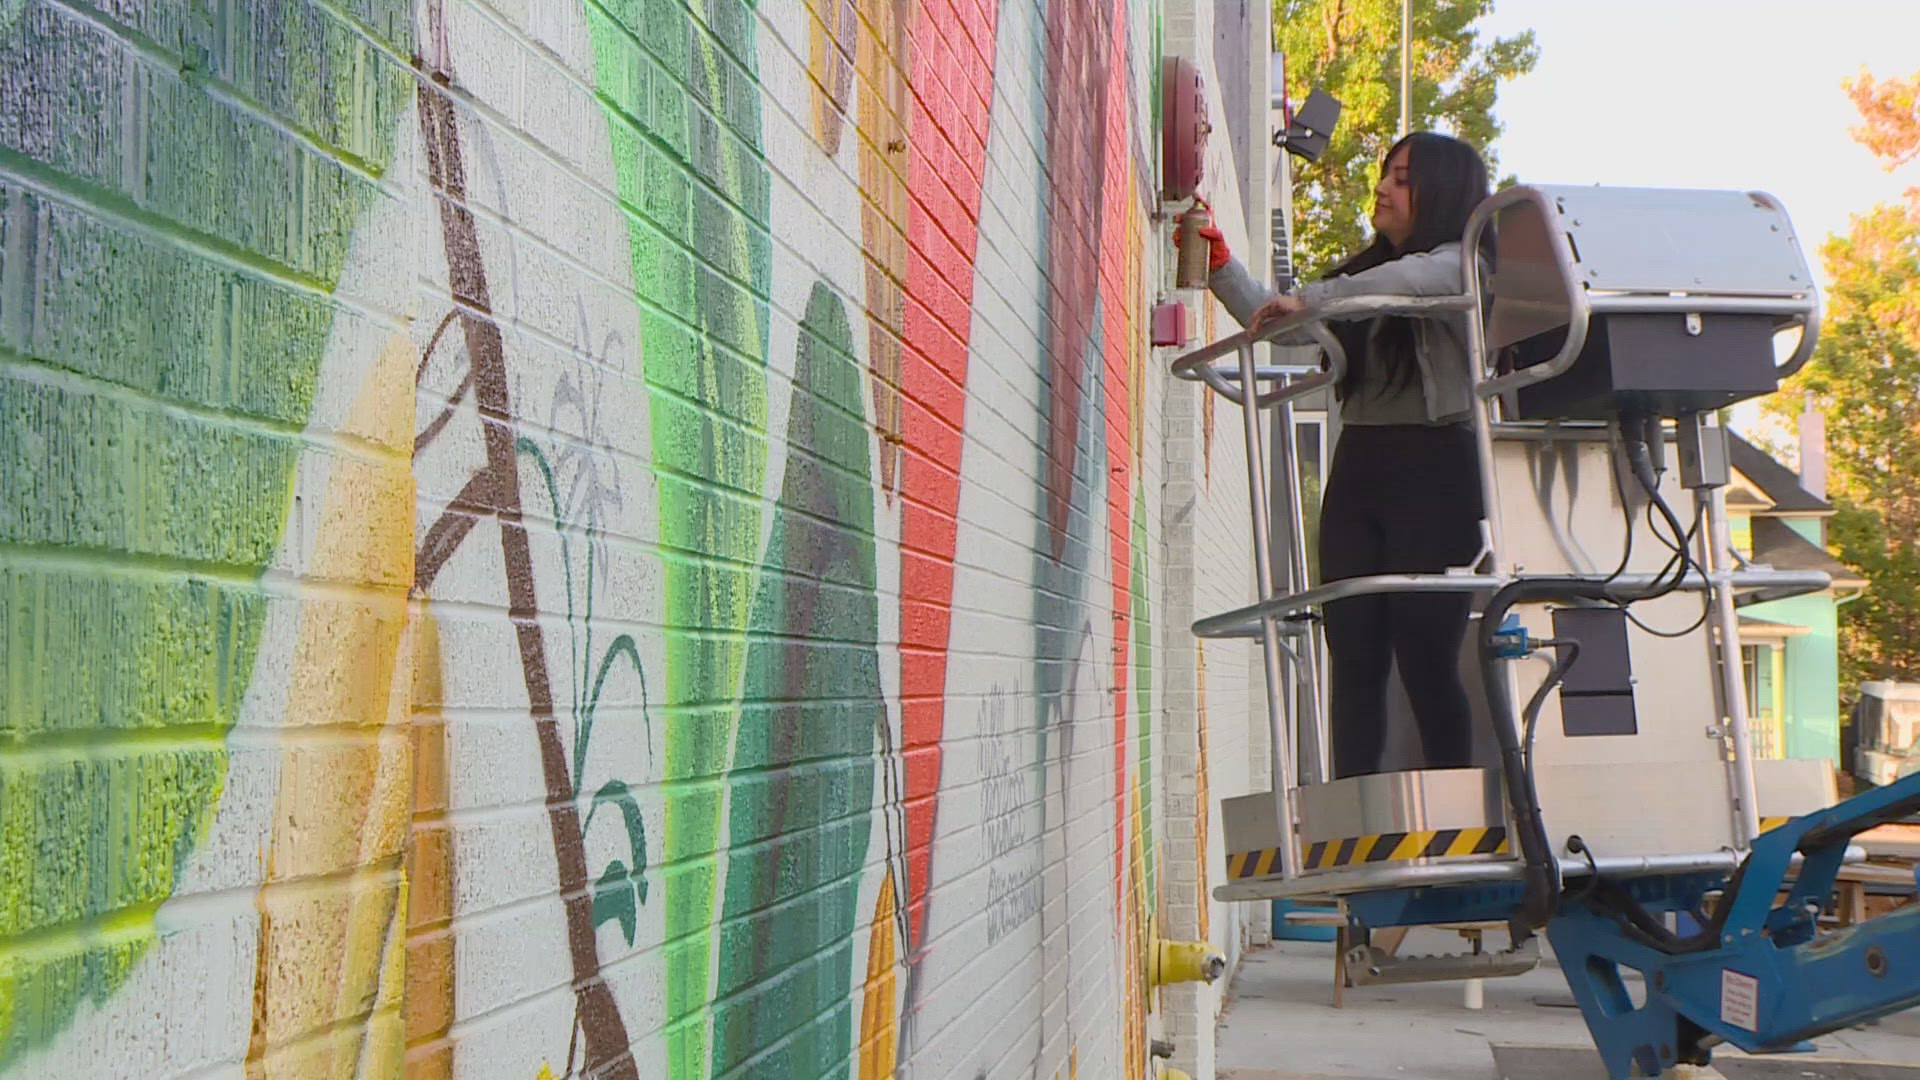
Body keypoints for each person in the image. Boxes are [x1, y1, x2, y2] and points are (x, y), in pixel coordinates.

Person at [1197, 131, 1493, 780]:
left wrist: (1318, 296)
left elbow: (1415, 280)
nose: (1382, 188)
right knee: (1353, 652)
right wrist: (1219, 264)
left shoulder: (1463, 264)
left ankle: (1454, 812)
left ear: (1442, 192)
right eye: (1385, 173)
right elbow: (1286, 325)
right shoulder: (1359, 281)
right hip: (1361, 465)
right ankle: (1356, 814)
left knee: (1425, 656)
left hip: (1437, 468)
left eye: (1403, 178)